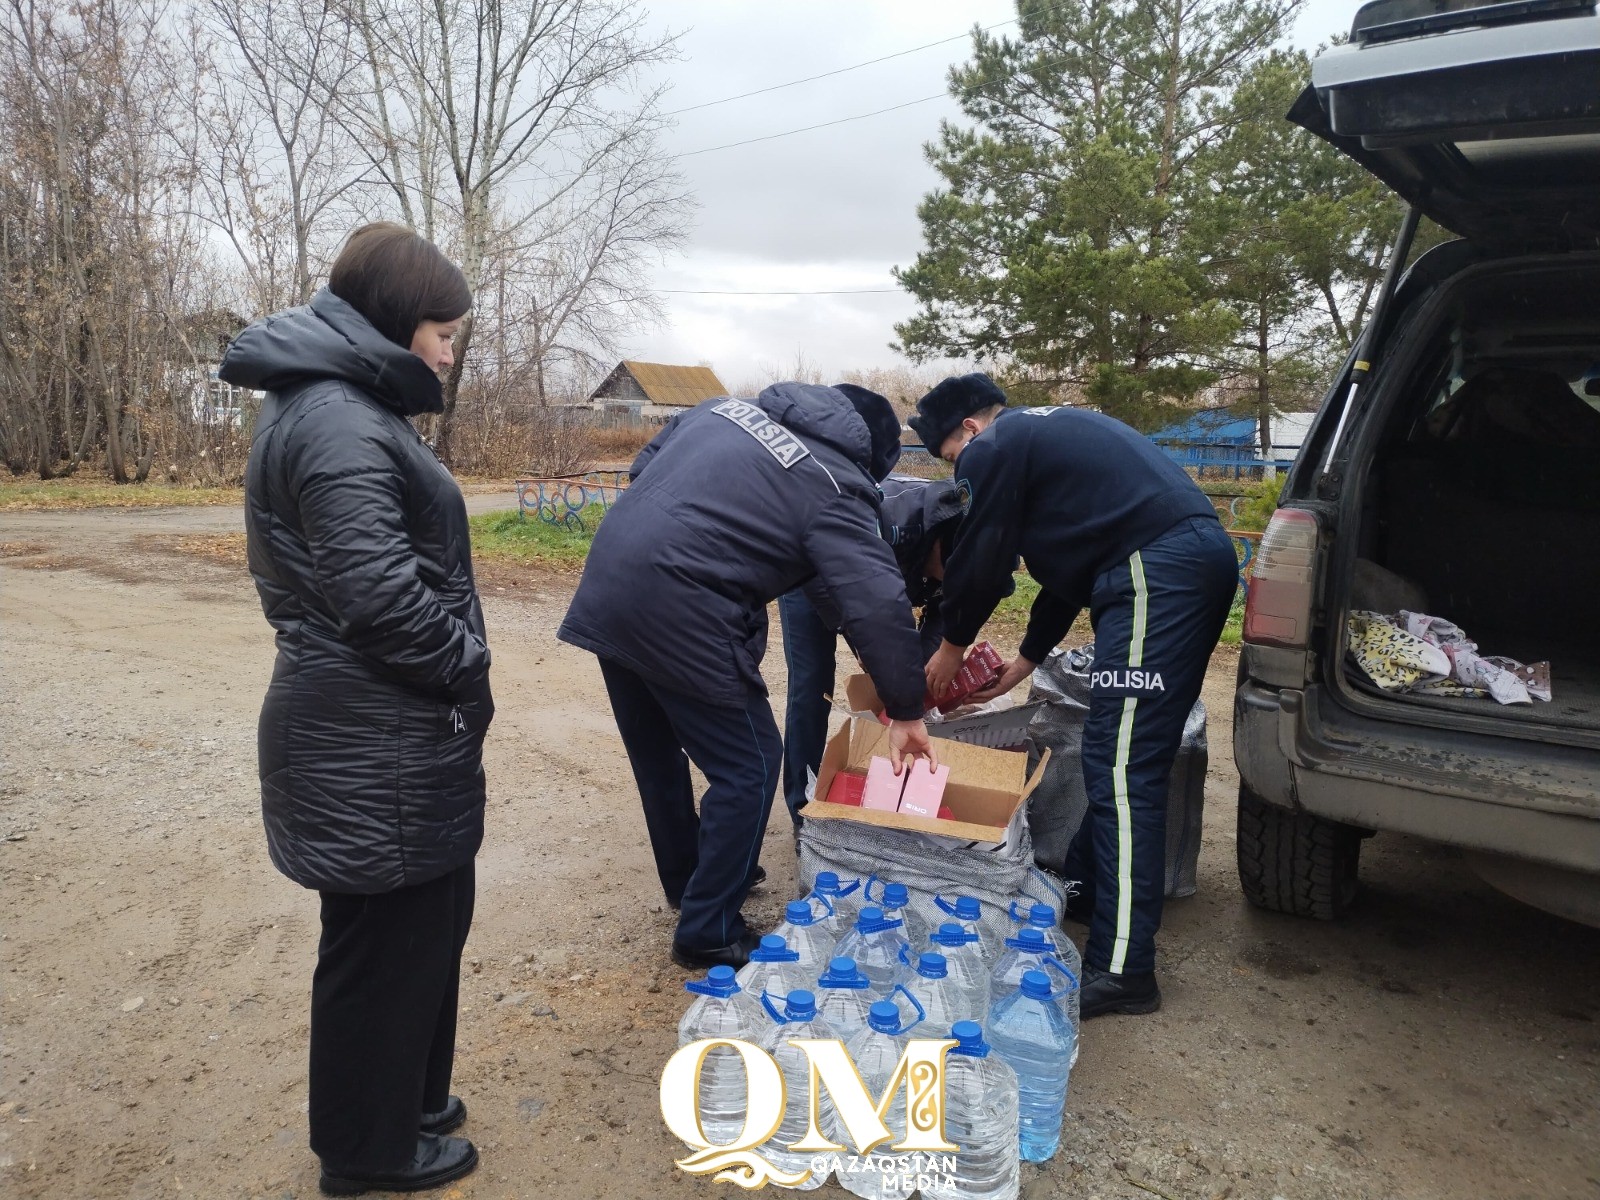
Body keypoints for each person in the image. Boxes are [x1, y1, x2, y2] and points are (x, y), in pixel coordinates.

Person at [218, 222, 490, 1195]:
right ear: (395, 320)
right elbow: (377, 599)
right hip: (368, 731)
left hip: (386, 724)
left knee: (424, 924)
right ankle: (367, 1152)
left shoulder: (348, 403)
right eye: (443, 334)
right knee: (381, 946)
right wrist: (466, 664)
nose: (448, 355)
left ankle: (407, 1101)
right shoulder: (336, 417)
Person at [558, 382, 937, 970]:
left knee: (657, 752)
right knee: (751, 765)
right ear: (870, 457)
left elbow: (645, 468)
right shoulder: (836, 483)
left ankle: (692, 882)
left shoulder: (723, 411)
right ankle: (708, 929)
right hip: (682, 602)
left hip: (612, 579)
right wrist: (907, 707)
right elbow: (876, 599)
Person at [910, 372, 1236, 1019]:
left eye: (949, 458)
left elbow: (982, 555)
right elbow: (1066, 581)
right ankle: (1090, 890)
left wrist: (951, 645)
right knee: (1121, 753)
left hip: (1154, 571)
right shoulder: (1045, 442)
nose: (957, 472)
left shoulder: (993, 446)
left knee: (1124, 772)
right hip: (1173, 564)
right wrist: (1026, 660)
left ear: (968, 429)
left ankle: (1124, 970)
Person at [777, 471, 966, 826]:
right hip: (811, 569)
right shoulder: (892, 525)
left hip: (871, 581)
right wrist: (864, 644)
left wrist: (917, 677)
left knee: (905, 677)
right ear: (940, 548)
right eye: (953, 575)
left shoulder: (964, 553)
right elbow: (866, 612)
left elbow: (940, 622)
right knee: (811, 683)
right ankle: (804, 811)